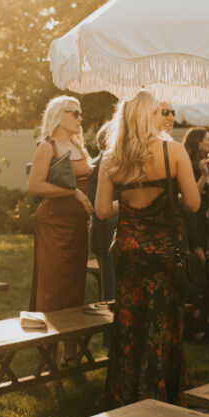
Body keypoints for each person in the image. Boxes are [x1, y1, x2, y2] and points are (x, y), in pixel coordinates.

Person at [95, 90, 200, 406]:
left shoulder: (112, 157)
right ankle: (160, 390)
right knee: (163, 319)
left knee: (130, 318)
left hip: (128, 248)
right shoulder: (173, 151)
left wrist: (128, 205)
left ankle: (126, 389)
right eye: (158, 111)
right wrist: (166, 197)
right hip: (163, 250)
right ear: (149, 116)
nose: (163, 117)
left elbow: (101, 211)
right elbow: (193, 204)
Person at [28, 96, 93, 364]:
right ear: (59, 116)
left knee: (74, 286)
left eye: (80, 114)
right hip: (54, 223)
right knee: (52, 287)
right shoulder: (48, 146)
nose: (80, 119)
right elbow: (35, 187)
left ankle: (70, 349)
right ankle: (48, 353)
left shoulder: (78, 145)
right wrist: (73, 192)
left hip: (78, 226)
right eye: (75, 114)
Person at [86, 122, 118, 302]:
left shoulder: (118, 162)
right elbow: (93, 201)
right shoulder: (97, 165)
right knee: (109, 289)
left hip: (116, 235)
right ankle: (108, 329)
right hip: (104, 235)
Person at [181, 127, 209, 265]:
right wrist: (203, 176)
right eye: (208, 139)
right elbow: (192, 197)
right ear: (198, 144)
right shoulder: (189, 166)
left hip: (208, 219)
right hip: (197, 220)